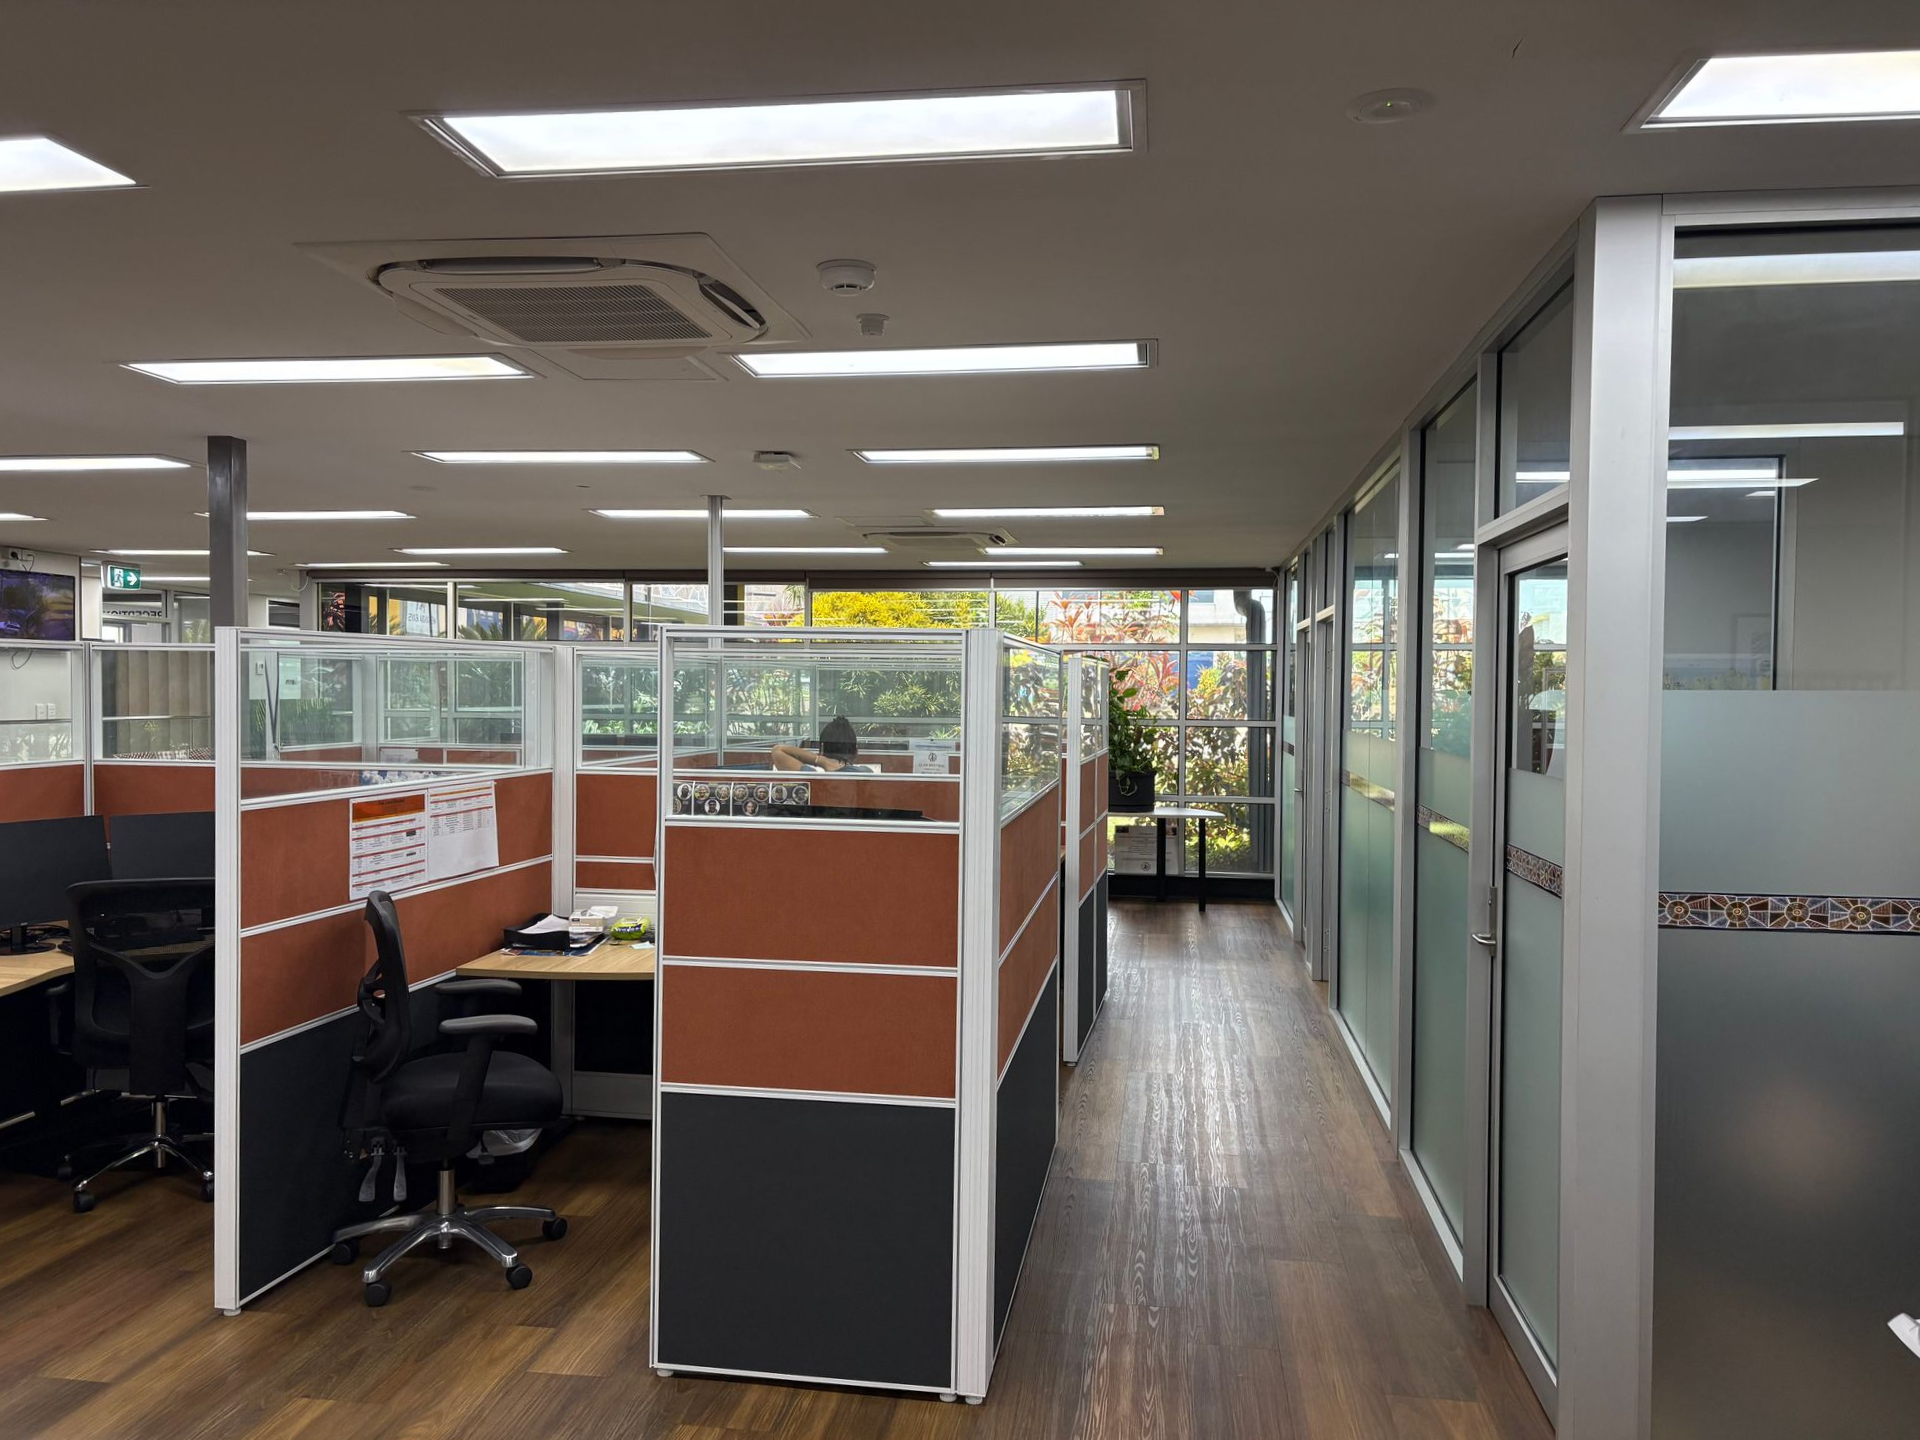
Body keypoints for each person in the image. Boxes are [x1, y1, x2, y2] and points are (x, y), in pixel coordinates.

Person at [770, 715, 875, 772]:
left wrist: (821, 761)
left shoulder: (812, 776)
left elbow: (778, 751)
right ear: (856, 751)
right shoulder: (866, 773)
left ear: (822, 748)